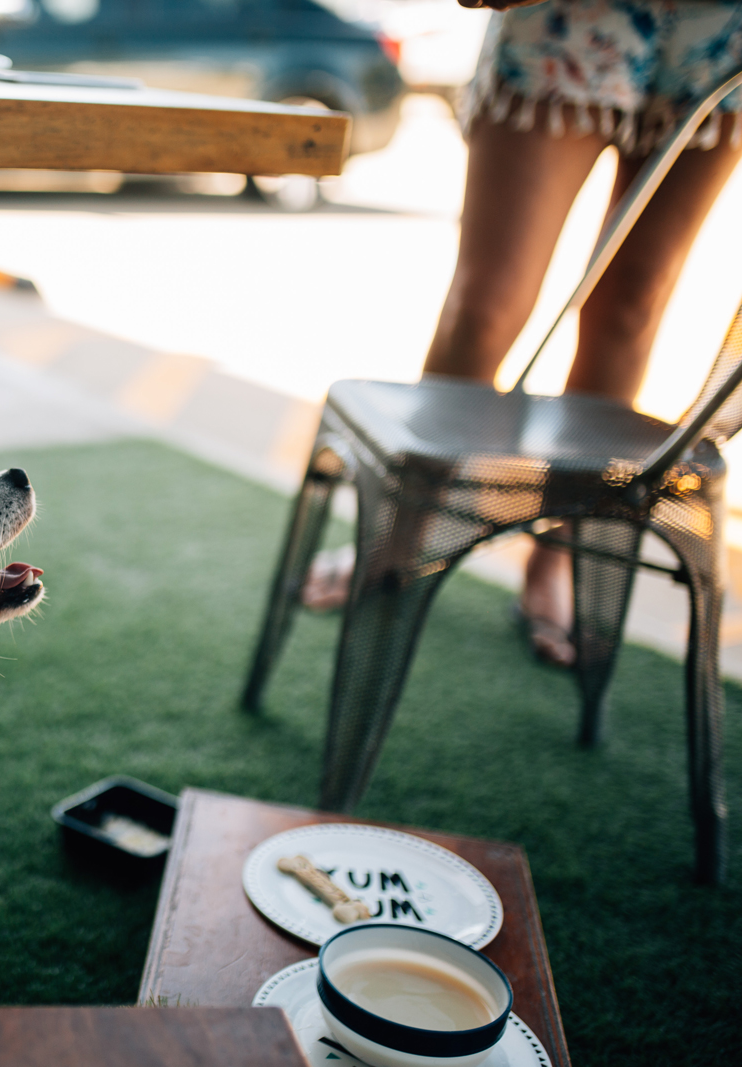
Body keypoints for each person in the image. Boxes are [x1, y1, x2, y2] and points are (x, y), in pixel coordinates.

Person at [303, 0, 742, 667]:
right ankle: (400, 539)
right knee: (489, 300)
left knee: (632, 306)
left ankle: (555, 559)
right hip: (574, 11)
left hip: (719, 23)